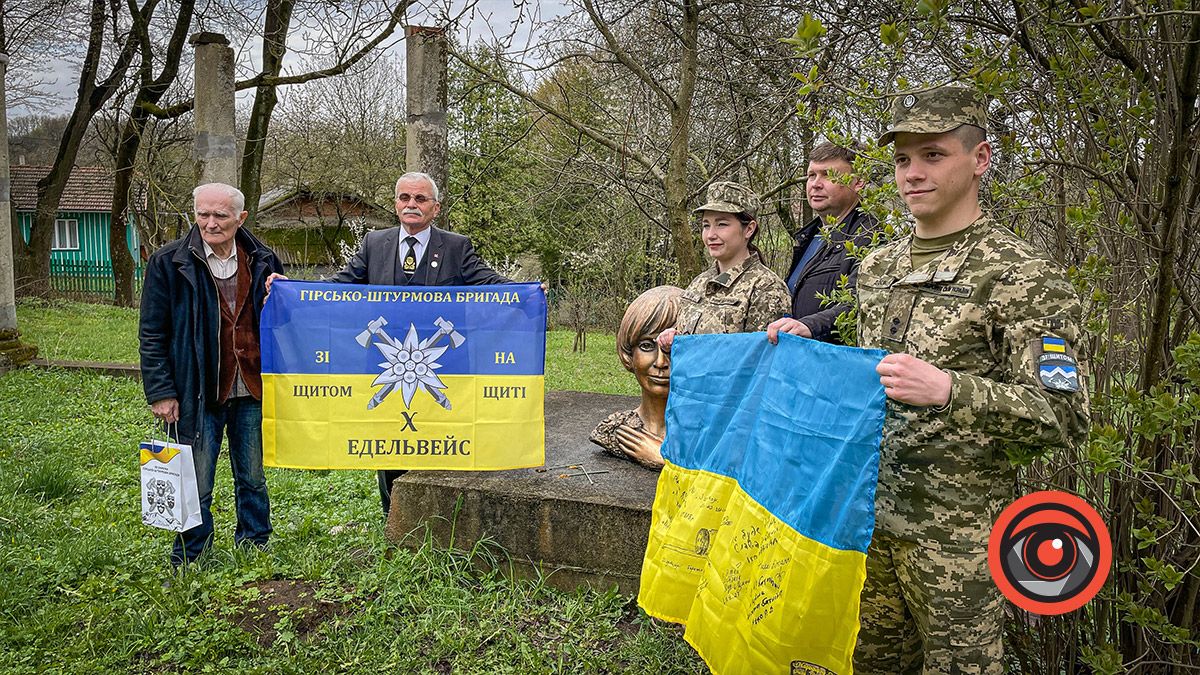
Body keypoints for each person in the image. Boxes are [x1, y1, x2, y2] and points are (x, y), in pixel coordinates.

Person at [853, 85, 1090, 672]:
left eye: (933, 155)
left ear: (980, 159)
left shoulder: (1023, 276)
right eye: (903, 159)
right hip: (865, 525)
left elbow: (1065, 412)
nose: (912, 173)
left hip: (957, 545)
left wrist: (951, 390)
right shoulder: (878, 267)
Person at [268, 171, 510, 517]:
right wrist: (292, 289)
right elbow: (340, 285)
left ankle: (438, 516)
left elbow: (487, 281)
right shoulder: (373, 243)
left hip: (442, 368)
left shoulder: (457, 246)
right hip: (387, 364)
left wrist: (525, 291)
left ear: (435, 208)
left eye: (420, 199)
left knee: (439, 439)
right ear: (396, 204)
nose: (412, 205)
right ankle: (393, 516)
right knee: (391, 441)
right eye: (404, 198)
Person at [139, 182, 284, 566]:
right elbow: (152, 332)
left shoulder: (263, 259)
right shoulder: (169, 262)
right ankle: (190, 555)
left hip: (252, 386)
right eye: (203, 213)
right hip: (197, 390)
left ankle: (255, 543)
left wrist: (281, 298)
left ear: (241, 218)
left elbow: (281, 323)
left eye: (220, 215)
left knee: (252, 475)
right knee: (196, 479)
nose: (210, 222)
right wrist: (161, 391)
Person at [656, 181, 790, 351]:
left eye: (722, 224)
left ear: (749, 229)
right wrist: (673, 340)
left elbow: (763, 362)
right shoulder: (699, 283)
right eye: (706, 225)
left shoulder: (766, 288)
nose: (711, 235)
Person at [767, 141, 877, 345]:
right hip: (799, 359)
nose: (816, 184)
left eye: (827, 175)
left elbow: (862, 303)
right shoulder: (808, 237)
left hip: (834, 364)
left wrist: (810, 326)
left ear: (859, 181)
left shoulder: (870, 237)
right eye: (811, 175)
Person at [590, 285, 682, 469]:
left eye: (673, 348)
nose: (661, 362)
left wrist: (663, 458)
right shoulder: (615, 430)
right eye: (647, 346)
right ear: (629, 354)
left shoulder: (710, 438)